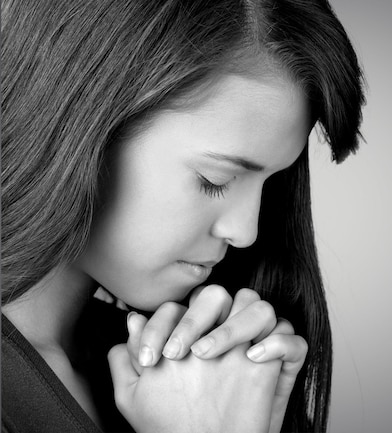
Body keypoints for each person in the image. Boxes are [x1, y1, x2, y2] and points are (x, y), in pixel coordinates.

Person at [0, 0, 365, 432]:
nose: (245, 232)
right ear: (76, 122)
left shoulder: (206, 382)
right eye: (214, 180)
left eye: (271, 185)